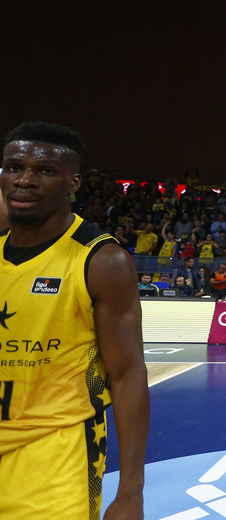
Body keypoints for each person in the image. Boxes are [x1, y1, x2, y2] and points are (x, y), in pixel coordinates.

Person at [0, 122, 148, 517]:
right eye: (14, 168)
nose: (25, 180)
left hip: (54, 459)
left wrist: (131, 491)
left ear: (73, 182)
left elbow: (127, 374)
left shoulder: (102, 261)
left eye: (45, 170)